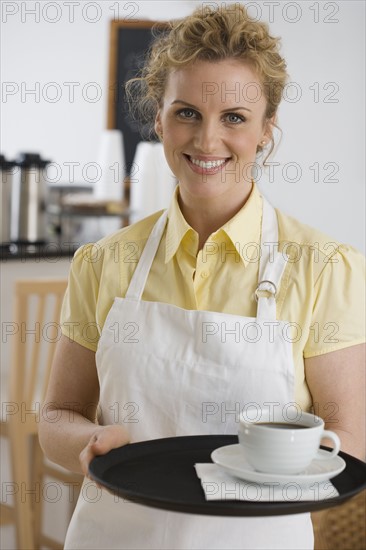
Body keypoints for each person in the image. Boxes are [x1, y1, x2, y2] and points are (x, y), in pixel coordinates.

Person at [39, 4, 365, 549]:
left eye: (234, 117)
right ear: (159, 119)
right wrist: (90, 439)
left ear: (266, 130)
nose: (207, 140)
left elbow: (351, 441)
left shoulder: (325, 267)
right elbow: (57, 416)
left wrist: (276, 465)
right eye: (187, 112)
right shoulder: (102, 262)